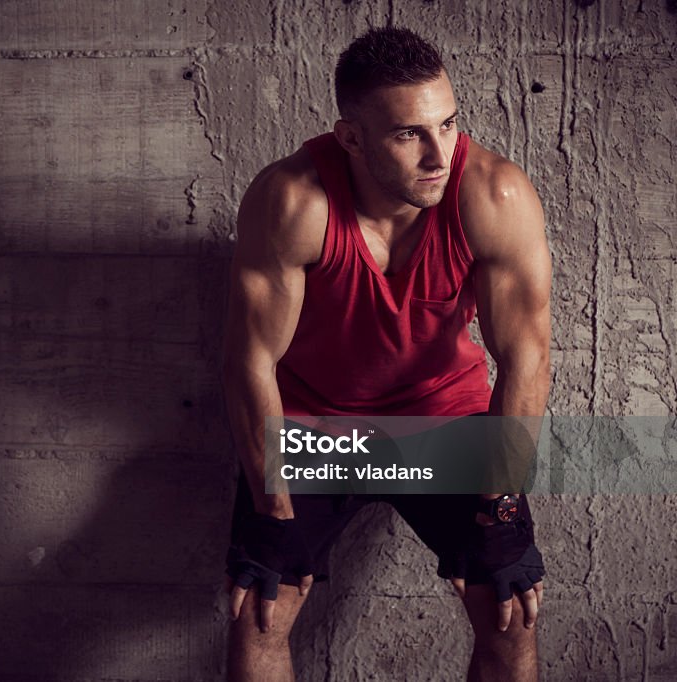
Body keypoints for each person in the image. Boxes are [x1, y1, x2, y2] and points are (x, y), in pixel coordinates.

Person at [220, 27, 552, 682]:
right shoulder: (294, 200)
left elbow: (526, 359)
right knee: (261, 612)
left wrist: (501, 506)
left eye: (448, 124)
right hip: (316, 425)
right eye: (409, 134)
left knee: (510, 612)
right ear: (351, 138)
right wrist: (271, 512)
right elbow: (248, 363)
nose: (439, 153)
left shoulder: (492, 194)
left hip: (441, 425)